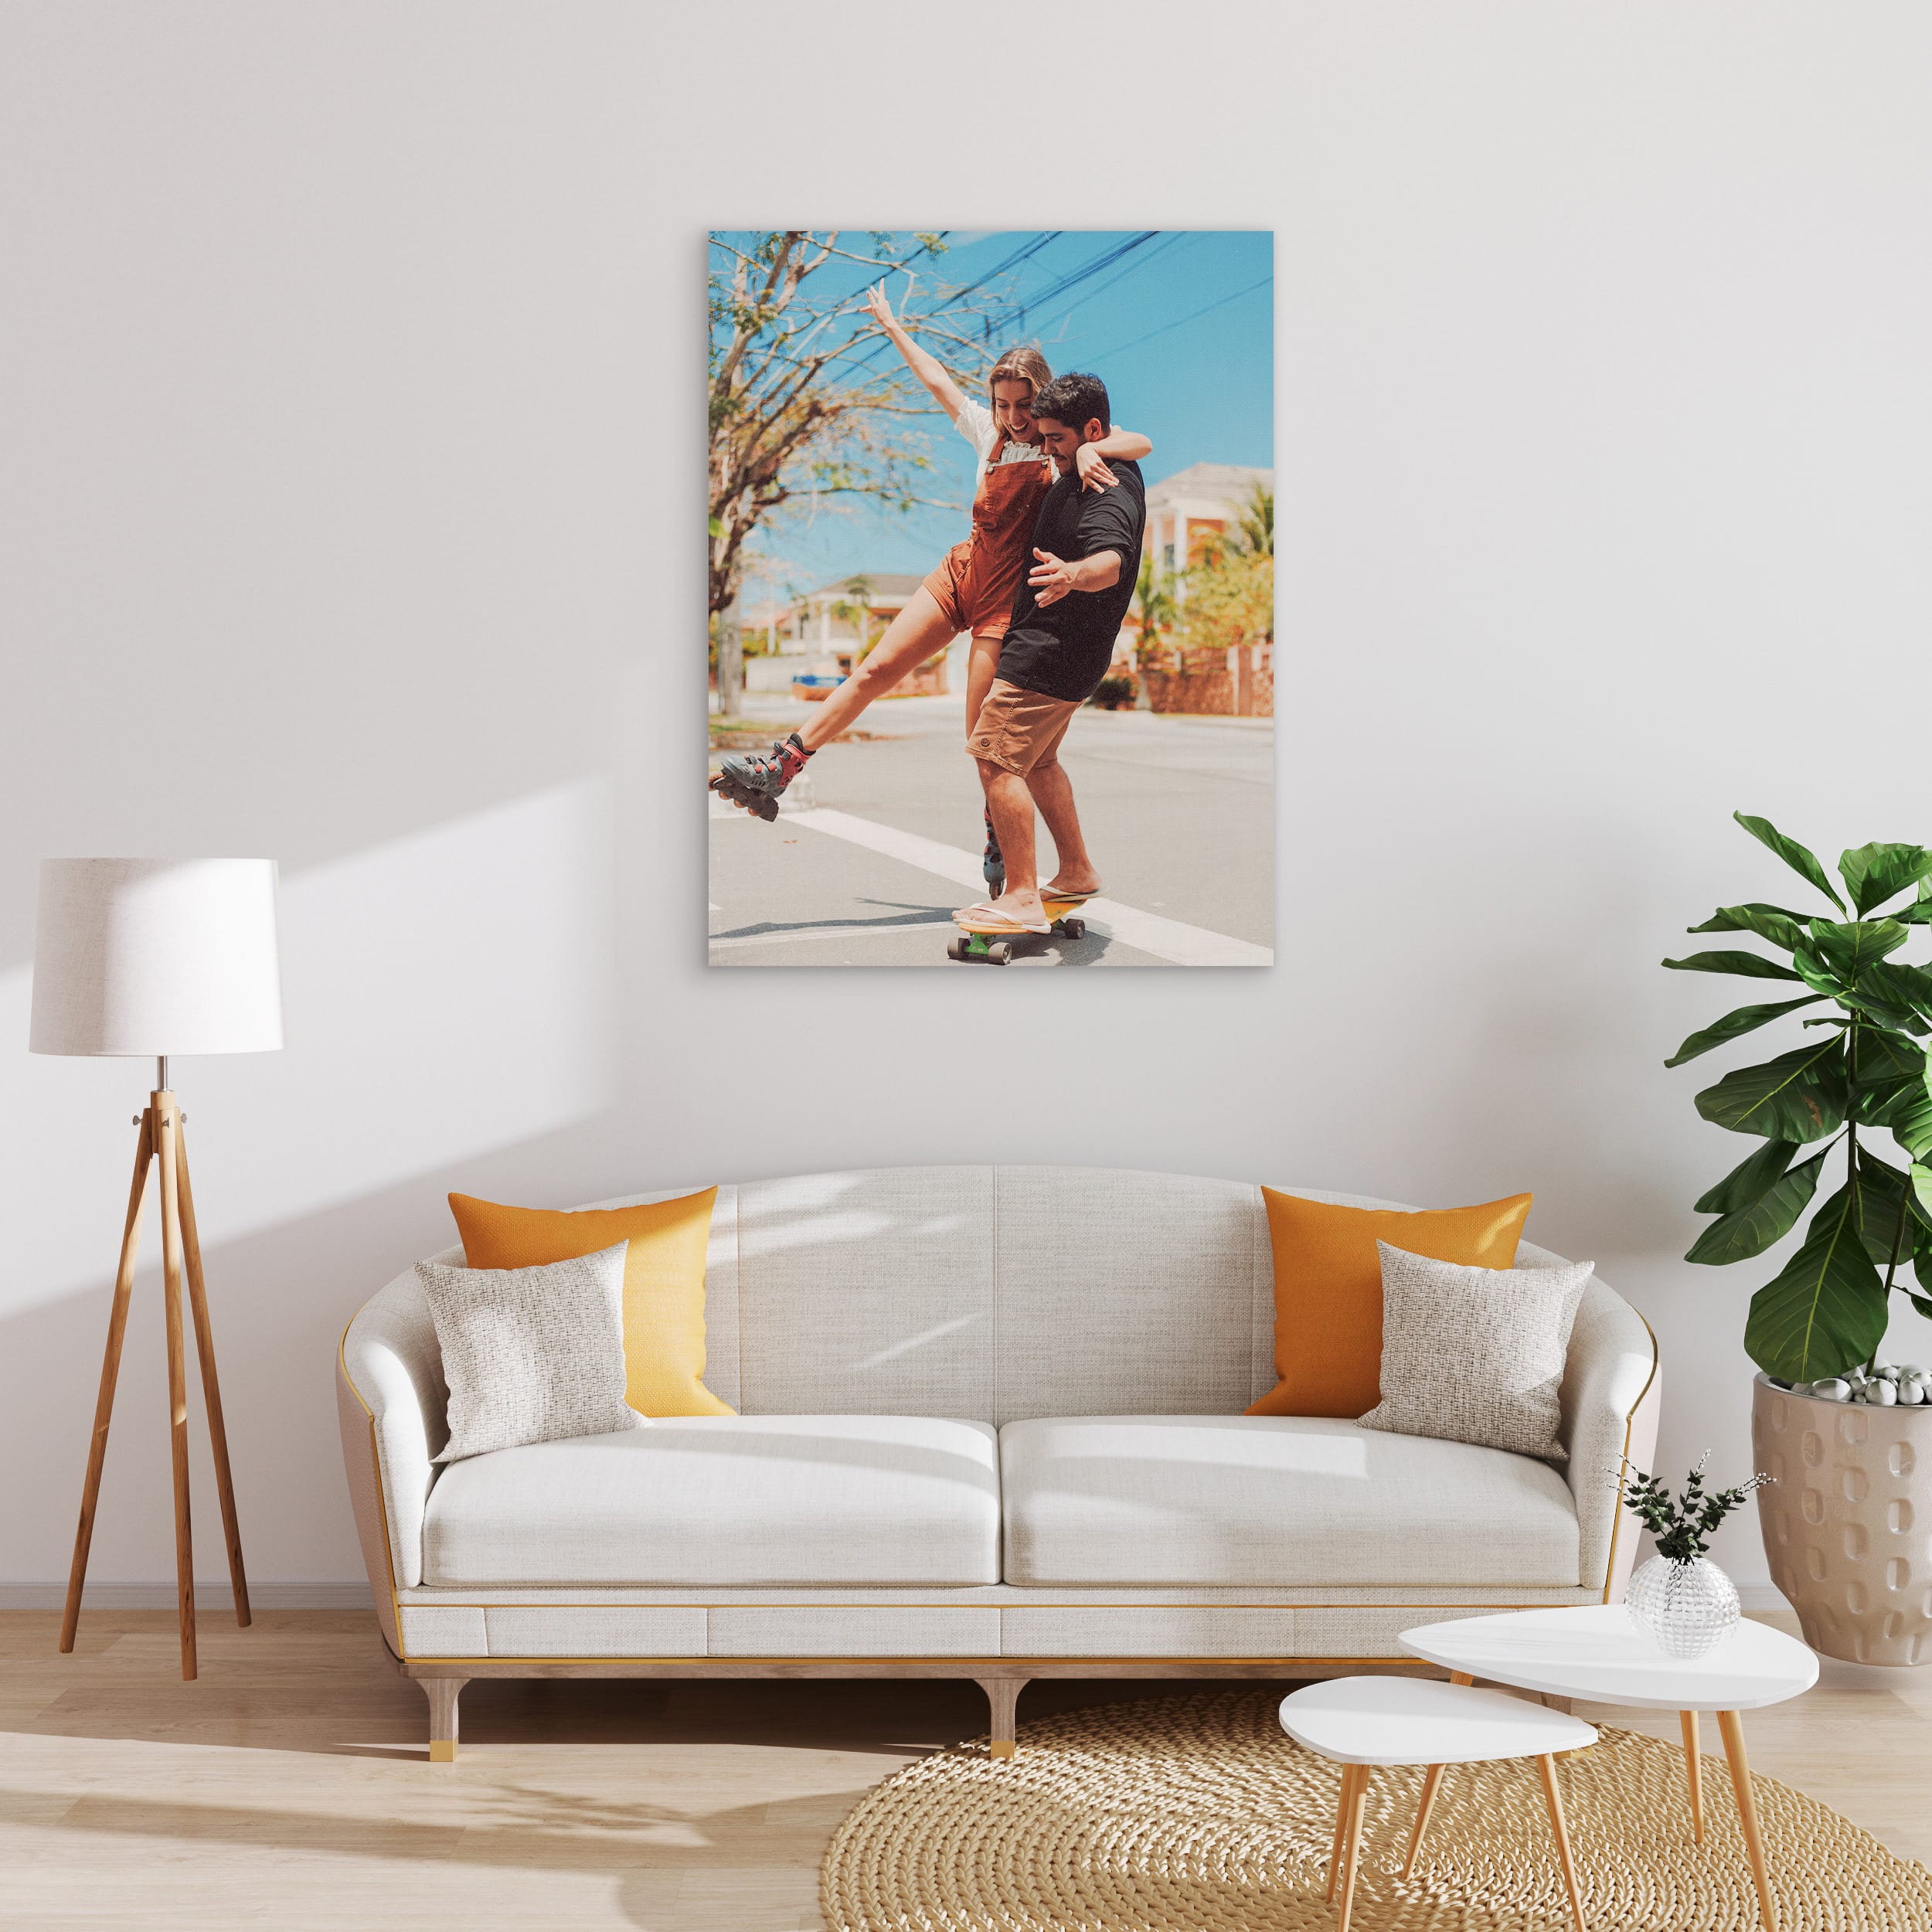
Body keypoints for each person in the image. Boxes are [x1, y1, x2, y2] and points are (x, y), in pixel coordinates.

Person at [710, 287, 1151, 887]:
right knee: (872, 671)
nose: (1015, 418)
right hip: (962, 573)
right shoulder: (985, 433)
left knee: (985, 743)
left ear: (1044, 405)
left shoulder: (1060, 450)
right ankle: (778, 769)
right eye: (1004, 404)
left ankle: (1001, 839)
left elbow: (1139, 442)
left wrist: (1095, 445)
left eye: (1025, 405)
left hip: (1006, 601)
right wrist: (891, 326)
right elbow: (936, 378)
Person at [952, 372, 1145, 937]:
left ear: (1090, 429)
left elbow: (1109, 559)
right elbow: (1134, 440)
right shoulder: (1090, 458)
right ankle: (1078, 871)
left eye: (1055, 439)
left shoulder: (1104, 483)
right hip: (1067, 655)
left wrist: (1072, 574)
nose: (1045, 448)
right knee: (1037, 762)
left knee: (995, 757)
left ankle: (1020, 897)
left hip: (1048, 655)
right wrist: (1083, 449)